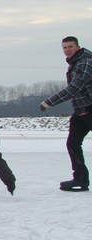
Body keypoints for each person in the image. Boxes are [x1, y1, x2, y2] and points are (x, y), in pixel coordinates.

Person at [39, 36, 92, 192]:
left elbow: (75, 87)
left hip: (90, 108)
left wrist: (49, 102)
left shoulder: (86, 62)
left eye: (70, 47)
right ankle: (80, 179)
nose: (67, 50)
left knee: (73, 144)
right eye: (65, 47)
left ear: (78, 47)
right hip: (81, 110)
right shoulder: (75, 62)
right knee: (73, 144)